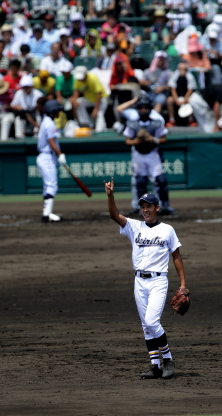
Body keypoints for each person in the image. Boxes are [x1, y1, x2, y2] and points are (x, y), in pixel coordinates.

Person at [103, 180, 186, 380]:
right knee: (145, 325)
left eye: (149, 206)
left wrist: (183, 284)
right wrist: (110, 196)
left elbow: (176, 256)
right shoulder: (134, 227)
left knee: (151, 321)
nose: (145, 210)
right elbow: (114, 215)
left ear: (157, 208)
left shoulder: (167, 230)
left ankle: (168, 360)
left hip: (158, 281)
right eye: (142, 207)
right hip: (139, 281)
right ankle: (155, 365)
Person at [124, 94, 175, 215]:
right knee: (140, 181)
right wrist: (135, 141)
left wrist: (152, 139)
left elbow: (164, 139)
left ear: (149, 108)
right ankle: (141, 207)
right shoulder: (133, 124)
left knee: (161, 180)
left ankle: (165, 205)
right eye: (141, 108)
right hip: (139, 155)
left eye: (145, 108)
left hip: (152, 154)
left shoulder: (156, 123)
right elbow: (127, 140)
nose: (143, 110)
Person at [36, 99, 66, 222]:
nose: (59, 112)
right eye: (57, 110)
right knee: (51, 185)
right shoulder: (49, 123)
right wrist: (60, 154)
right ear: (52, 111)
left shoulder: (46, 121)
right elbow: (51, 142)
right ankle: (46, 215)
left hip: (46, 156)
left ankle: (47, 213)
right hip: (47, 156)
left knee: (48, 186)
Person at [72, 66, 107, 132]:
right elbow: (76, 90)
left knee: (99, 113)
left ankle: (99, 130)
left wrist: (96, 109)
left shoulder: (93, 78)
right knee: (79, 102)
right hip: (89, 99)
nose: (80, 79)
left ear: (86, 74)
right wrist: (75, 100)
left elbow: (99, 94)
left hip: (101, 99)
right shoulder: (77, 79)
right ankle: (86, 124)